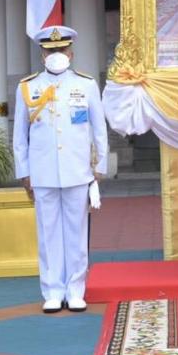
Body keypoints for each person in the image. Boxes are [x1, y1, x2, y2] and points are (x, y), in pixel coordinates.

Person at [13, 26, 108, 313]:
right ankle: (53, 290)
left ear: (71, 53)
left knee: (76, 234)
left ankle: (76, 289)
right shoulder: (27, 87)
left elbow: (99, 129)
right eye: (50, 50)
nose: (56, 54)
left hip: (77, 170)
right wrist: (24, 172)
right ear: (42, 54)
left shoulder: (86, 85)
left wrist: (100, 166)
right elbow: (19, 136)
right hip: (43, 173)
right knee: (48, 234)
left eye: (61, 49)